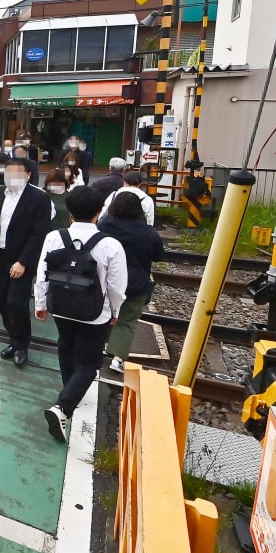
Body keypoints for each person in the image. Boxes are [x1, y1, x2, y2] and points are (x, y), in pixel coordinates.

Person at [34, 187, 127, 443]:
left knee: (65, 347)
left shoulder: (54, 237)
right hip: (94, 313)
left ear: (70, 212)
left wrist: (41, 303)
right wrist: (116, 311)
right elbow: (117, 286)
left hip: (61, 307)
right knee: (89, 363)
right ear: (99, 212)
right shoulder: (110, 245)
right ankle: (63, 406)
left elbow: (42, 274)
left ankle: (69, 389)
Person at [0, 157, 54, 368]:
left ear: (28, 176)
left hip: (22, 258)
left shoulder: (39, 198)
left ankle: (22, 345)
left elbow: (38, 234)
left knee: (17, 303)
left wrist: (23, 261)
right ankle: (13, 339)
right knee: (3, 300)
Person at [97, 192, 164, 374]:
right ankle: (117, 358)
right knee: (127, 321)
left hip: (107, 280)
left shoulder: (104, 226)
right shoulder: (148, 233)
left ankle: (100, 348)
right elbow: (158, 255)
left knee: (105, 315)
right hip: (135, 283)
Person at [45, 164, 71, 229]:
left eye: (59, 182)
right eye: (53, 182)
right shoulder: (42, 195)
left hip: (64, 233)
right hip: (45, 234)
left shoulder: (70, 197)